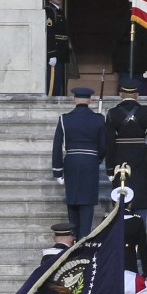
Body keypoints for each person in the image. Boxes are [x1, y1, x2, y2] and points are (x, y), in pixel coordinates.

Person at [51, 87, 107, 238]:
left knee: (73, 202)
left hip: (72, 161)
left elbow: (57, 146)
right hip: (90, 161)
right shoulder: (99, 119)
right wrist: (97, 159)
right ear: (90, 100)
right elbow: (103, 145)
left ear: (74, 100)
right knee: (87, 204)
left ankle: (73, 237)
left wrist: (57, 170)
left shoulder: (64, 118)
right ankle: (84, 238)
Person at [105, 77, 147, 214]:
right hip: (141, 156)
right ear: (137, 94)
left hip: (120, 158)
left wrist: (109, 168)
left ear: (120, 94)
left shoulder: (112, 113)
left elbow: (109, 143)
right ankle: (140, 229)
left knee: (122, 195)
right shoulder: (146, 111)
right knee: (141, 195)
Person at [44, 0, 71, 97]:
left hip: (61, 51)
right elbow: (49, 33)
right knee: (53, 84)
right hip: (55, 51)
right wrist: (51, 54)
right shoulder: (49, 11)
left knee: (59, 81)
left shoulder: (58, 10)